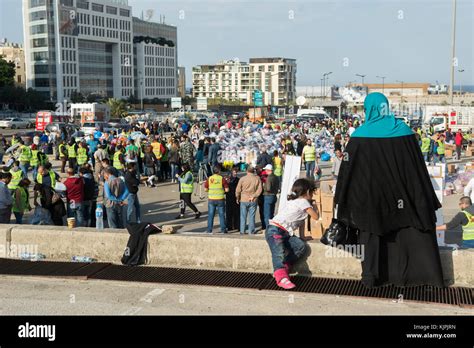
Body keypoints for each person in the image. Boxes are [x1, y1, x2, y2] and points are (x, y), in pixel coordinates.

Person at [334, 92, 444, 288]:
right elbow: (417, 168)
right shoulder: (404, 132)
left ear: (368, 109)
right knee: (406, 233)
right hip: (403, 197)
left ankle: (373, 278)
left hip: (372, 201)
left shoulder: (359, 137)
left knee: (372, 236)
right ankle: (418, 277)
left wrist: (344, 199)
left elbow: (347, 173)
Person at [266, 179, 319, 289]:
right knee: (278, 253)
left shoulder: (297, 202)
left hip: (285, 232)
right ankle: (282, 278)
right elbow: (316, 217)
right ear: (308, 191)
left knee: (300, 246)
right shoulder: (303, 201)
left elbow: (301, 221)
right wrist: (315, 206)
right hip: (275, 230)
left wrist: (302, 236)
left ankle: (284, 267)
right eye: (312, 192)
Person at [236, 166, 262, 235]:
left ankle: (242, 231)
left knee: (243, 216)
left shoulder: (242, 179)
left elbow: (238, 190)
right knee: (252, 216)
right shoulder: (257, 178)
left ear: (247, 171)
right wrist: (254, 196)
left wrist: (237, 197)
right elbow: (259, 190)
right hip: (253, 199)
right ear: (254, 171)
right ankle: (251, 231)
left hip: (244, 199)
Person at [204, 166, 229, 234]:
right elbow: (227, 190)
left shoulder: (209, 178)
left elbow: (205, 189)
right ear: (219, 171)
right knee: (221, 215)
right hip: (220, 199)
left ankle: (209, 230)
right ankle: (223, 230)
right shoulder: (222, 179)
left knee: (211, 215)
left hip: (211, 199)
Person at [262, 164, 279, 230]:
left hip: (268, 196)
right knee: (271, 213)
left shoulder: (269, 178)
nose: (265, 171)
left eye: (266, 169)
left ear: (269, 170)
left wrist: (264, 187)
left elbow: (268, 188)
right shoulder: (276, 177)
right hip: (274, 196)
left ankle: (268, 228)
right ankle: (272, 227)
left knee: (267, 214)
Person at [225, 166, 240, 232]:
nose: (235, 174)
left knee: (236, 213)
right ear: (231, 173)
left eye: (236, 172)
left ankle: (237, 225)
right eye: (234, 172)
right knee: (229, 213)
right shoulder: (228, 180)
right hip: (229, 198)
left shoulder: (238, 180)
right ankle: (229, 226)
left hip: (235, 197)